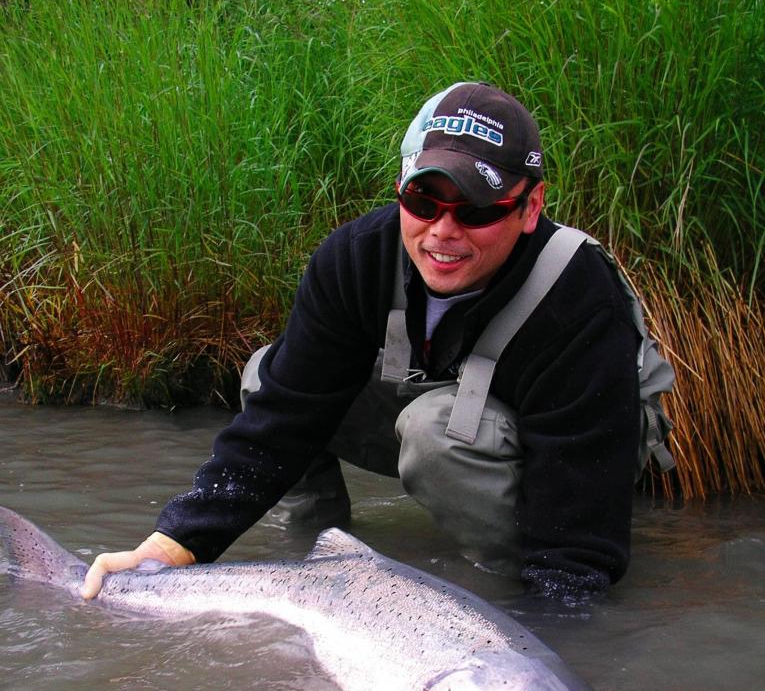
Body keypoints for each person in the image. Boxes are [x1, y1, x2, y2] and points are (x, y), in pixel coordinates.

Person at [82, 81, 640, 603]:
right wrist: (171, 546)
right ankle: (319, 552)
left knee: (436, 433)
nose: (443, 232)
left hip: (579, 444)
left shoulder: (580, 298)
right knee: (266, 372)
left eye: (473, 211)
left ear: (530, 207)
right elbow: (281, 421)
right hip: (443, 413)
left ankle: (500, 579)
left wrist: (560, 619)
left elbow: (578, 535)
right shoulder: (354, 259)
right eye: (423, 203)